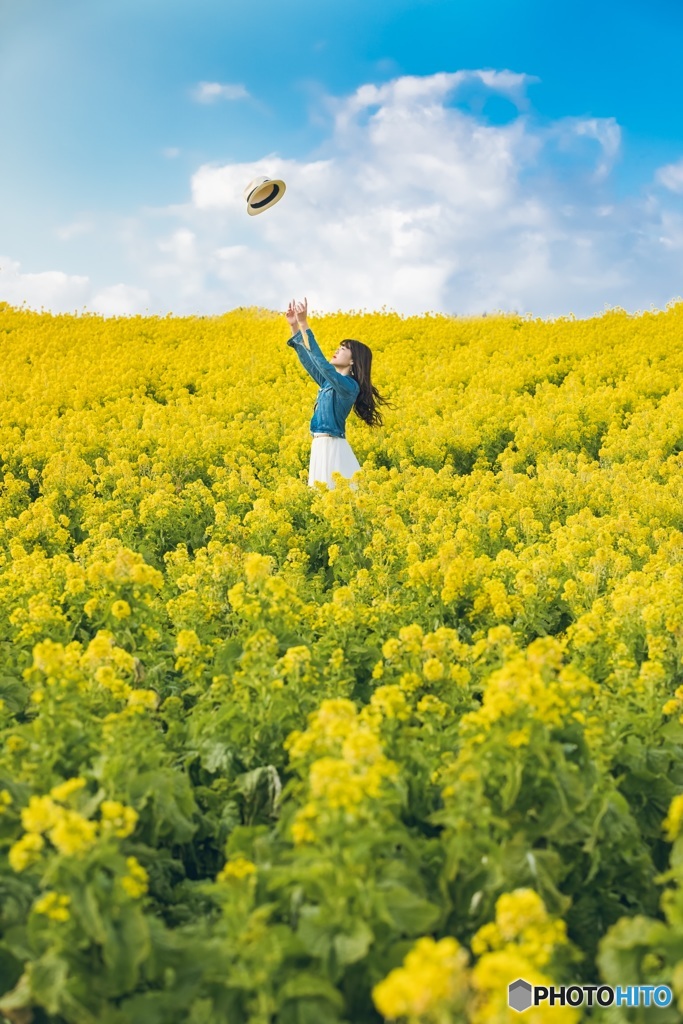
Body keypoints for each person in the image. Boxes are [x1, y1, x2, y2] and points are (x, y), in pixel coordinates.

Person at [285, 297, 388, 489]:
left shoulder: (349, 387)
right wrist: (294, 327)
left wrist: (304, 323)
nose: (337, 351)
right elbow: (310, 362)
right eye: (338, 348)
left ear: (352, 362)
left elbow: (323, 365)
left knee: (335, 495)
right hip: (319, 445)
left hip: (332, 446)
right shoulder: (327, 383)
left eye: (343, 350)